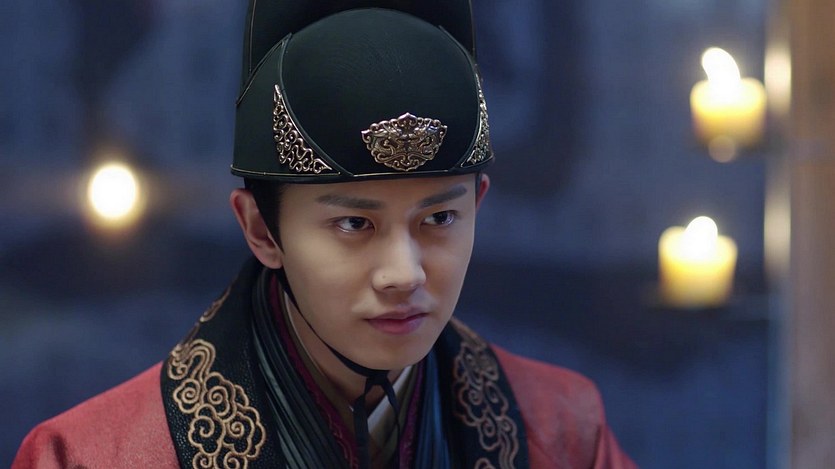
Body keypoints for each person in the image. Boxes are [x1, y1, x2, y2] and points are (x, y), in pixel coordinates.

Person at [13, 1, 636, 468]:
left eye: (439, 219)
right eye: (354, 224)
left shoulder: (563, 430)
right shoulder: (89, 456)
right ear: (261, 229)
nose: (404, 273)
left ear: (478, 204)